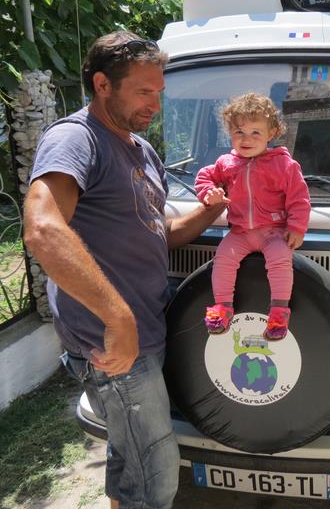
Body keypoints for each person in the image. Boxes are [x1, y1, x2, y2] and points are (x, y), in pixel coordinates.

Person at [23, 31, 223, 509]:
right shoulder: (76, 138)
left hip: (144, 330)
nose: (155, 104)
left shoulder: (141, 150)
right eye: (143, 91)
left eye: (159, 92)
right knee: (154, 478)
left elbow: (157, 231)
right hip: (113, 344)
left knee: (130, 458)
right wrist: (118, 318)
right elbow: (43, 229)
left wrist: (212, 211)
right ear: (102, 85)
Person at [194, 92, 310, 340]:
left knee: (280, 260)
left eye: (255, 132)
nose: (246, 139)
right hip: (240, 233)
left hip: (274, 231)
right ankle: (222, 308)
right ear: (230, 133)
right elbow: (205, 177)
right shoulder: (226, 162)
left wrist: (297, 227)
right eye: (239, 132)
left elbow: (299, 197)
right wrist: (209, 193)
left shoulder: (284, 165)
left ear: (271, 133)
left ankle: (279, 313)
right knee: (223, 260)